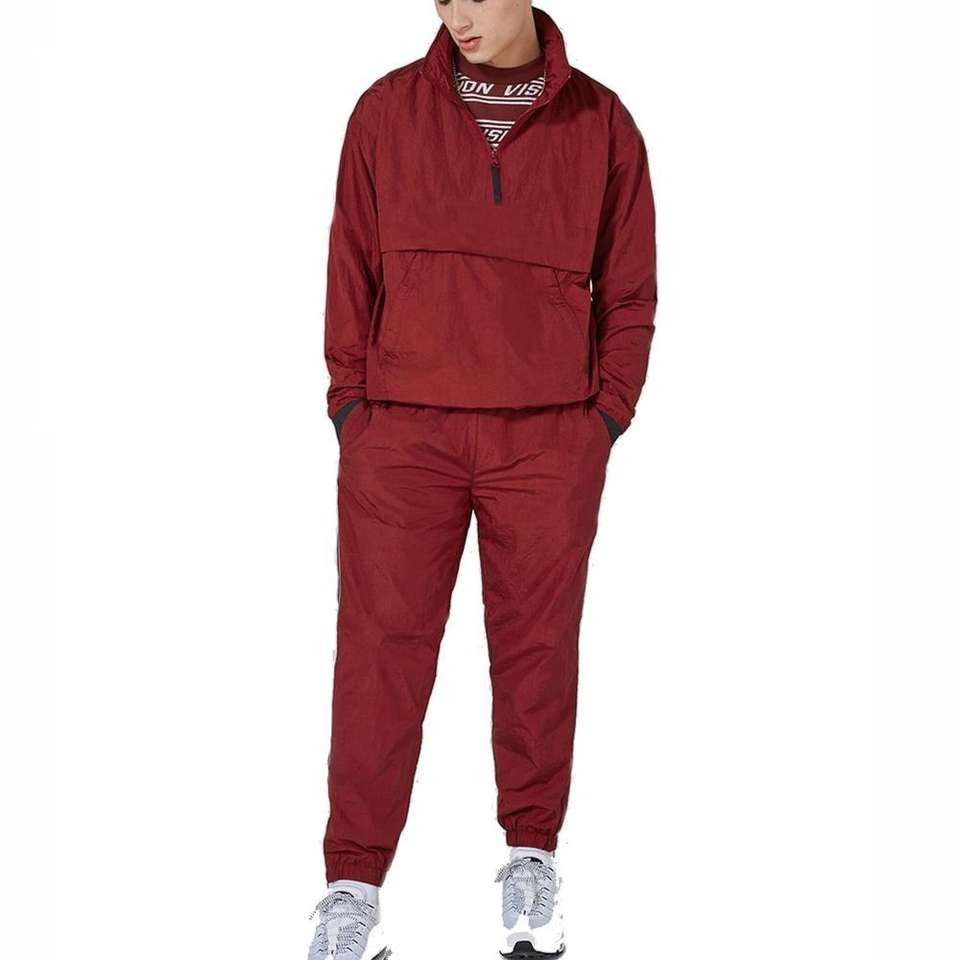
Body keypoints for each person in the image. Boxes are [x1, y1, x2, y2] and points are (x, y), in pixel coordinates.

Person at [309, 3, 657, 958]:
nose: (455, 13)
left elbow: (630, 290)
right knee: (378, 654)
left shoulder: (603, 124)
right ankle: (351, 886)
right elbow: (348, 265)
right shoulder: (385, 112)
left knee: (537, 647)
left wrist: (602, 420)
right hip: (401, 432)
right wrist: (352, 408)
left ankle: (532, 859)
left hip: (548, 436)